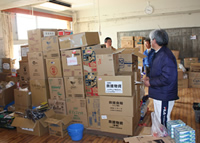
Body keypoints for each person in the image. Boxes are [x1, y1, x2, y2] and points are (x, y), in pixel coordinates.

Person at [143, 29, 179, 127]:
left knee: (163, 121)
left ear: (154, 40)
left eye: (150, 40)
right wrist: (149, 78)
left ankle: (164, 140)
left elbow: (167, 77)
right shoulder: (158, 53)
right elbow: (157, 71)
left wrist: (150, 83)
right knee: (159, 118)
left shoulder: (165, 55)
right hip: (160, 92)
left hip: (164, 95)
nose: (150, 42)